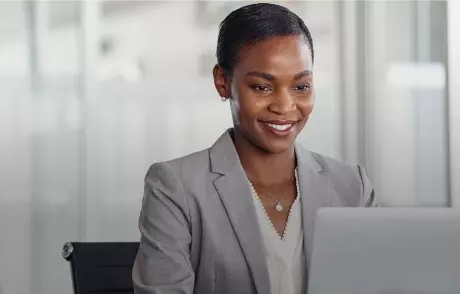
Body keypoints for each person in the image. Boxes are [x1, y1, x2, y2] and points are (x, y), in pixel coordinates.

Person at [132, 3, 379, 294]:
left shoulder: (352, 188)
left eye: (301, 87)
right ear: (223, 82)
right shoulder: (176, 188)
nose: (285, 107)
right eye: (262, 87)